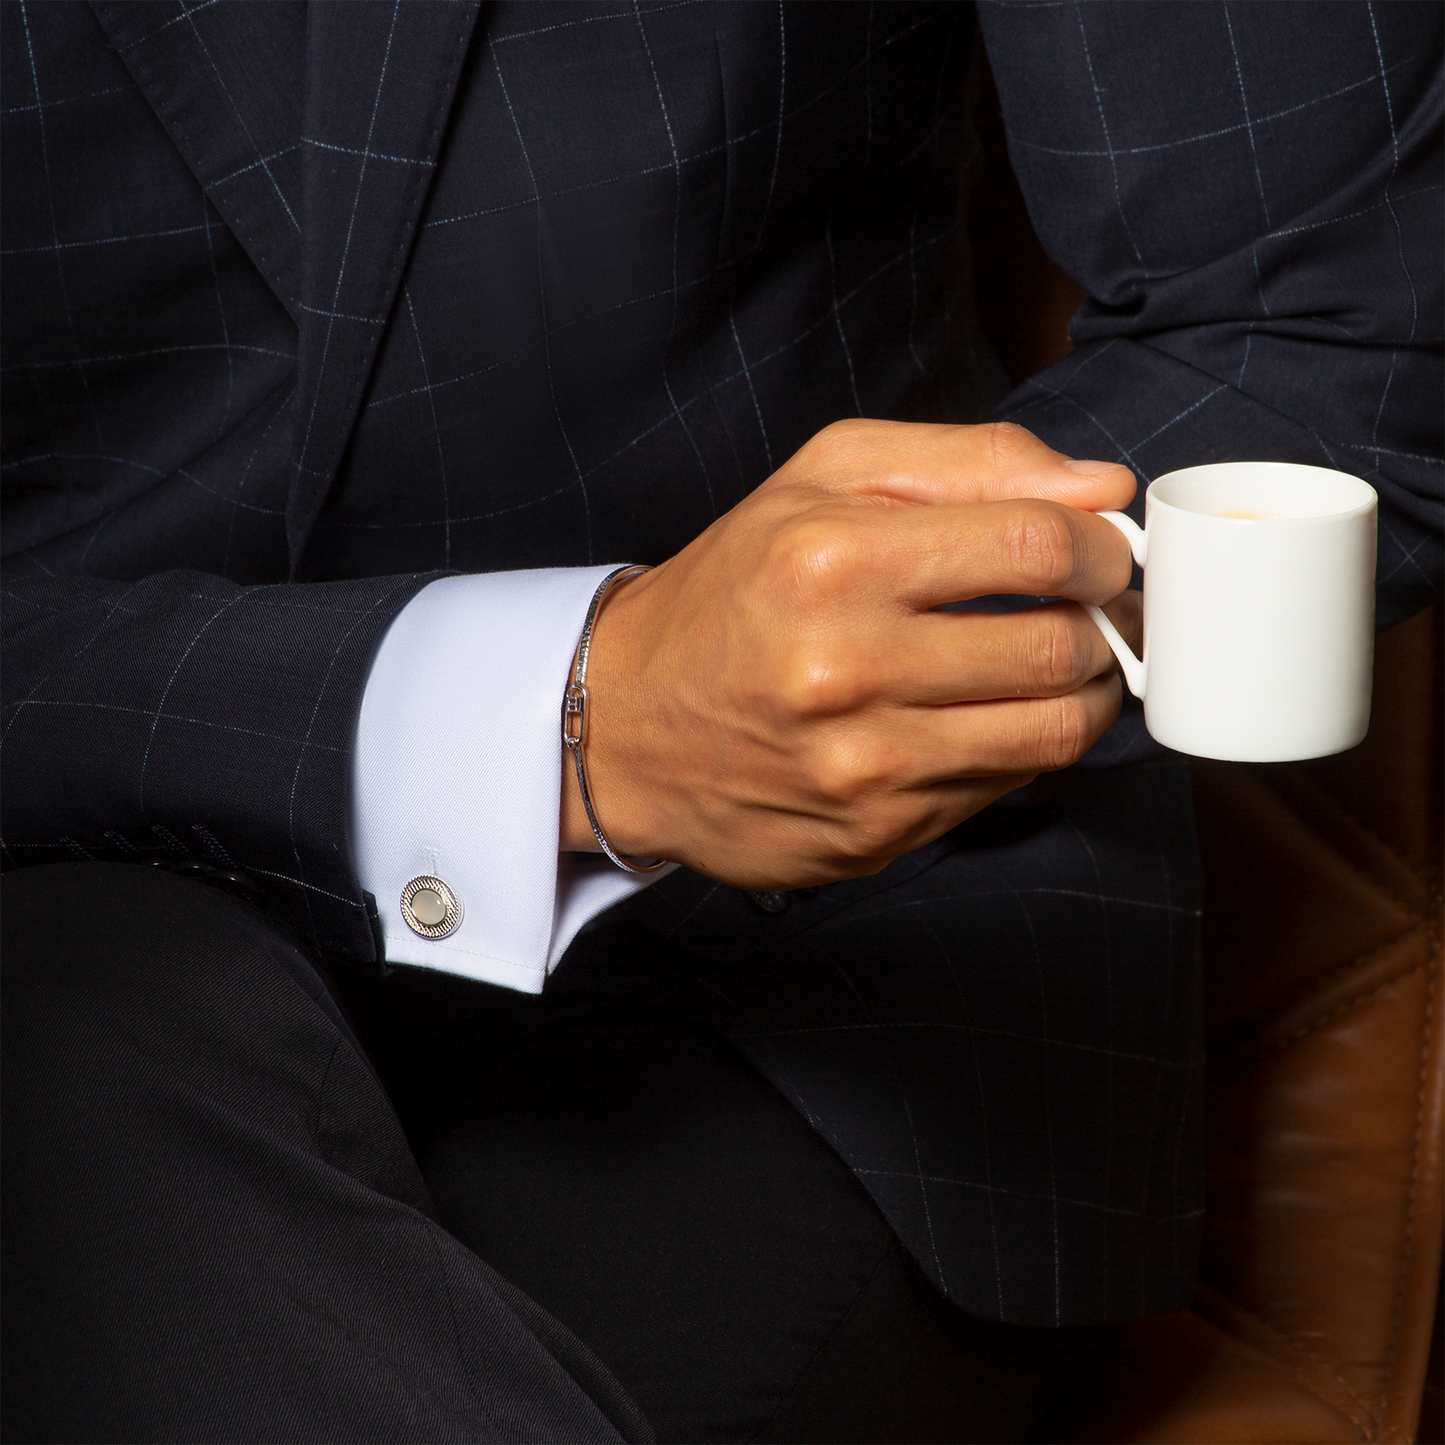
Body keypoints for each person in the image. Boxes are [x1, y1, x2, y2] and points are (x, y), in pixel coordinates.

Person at [1, 0, 1441, 1440]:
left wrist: (881, 633)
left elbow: (1322, 327)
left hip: (823, 981)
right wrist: (554, 710)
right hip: (61, 886)